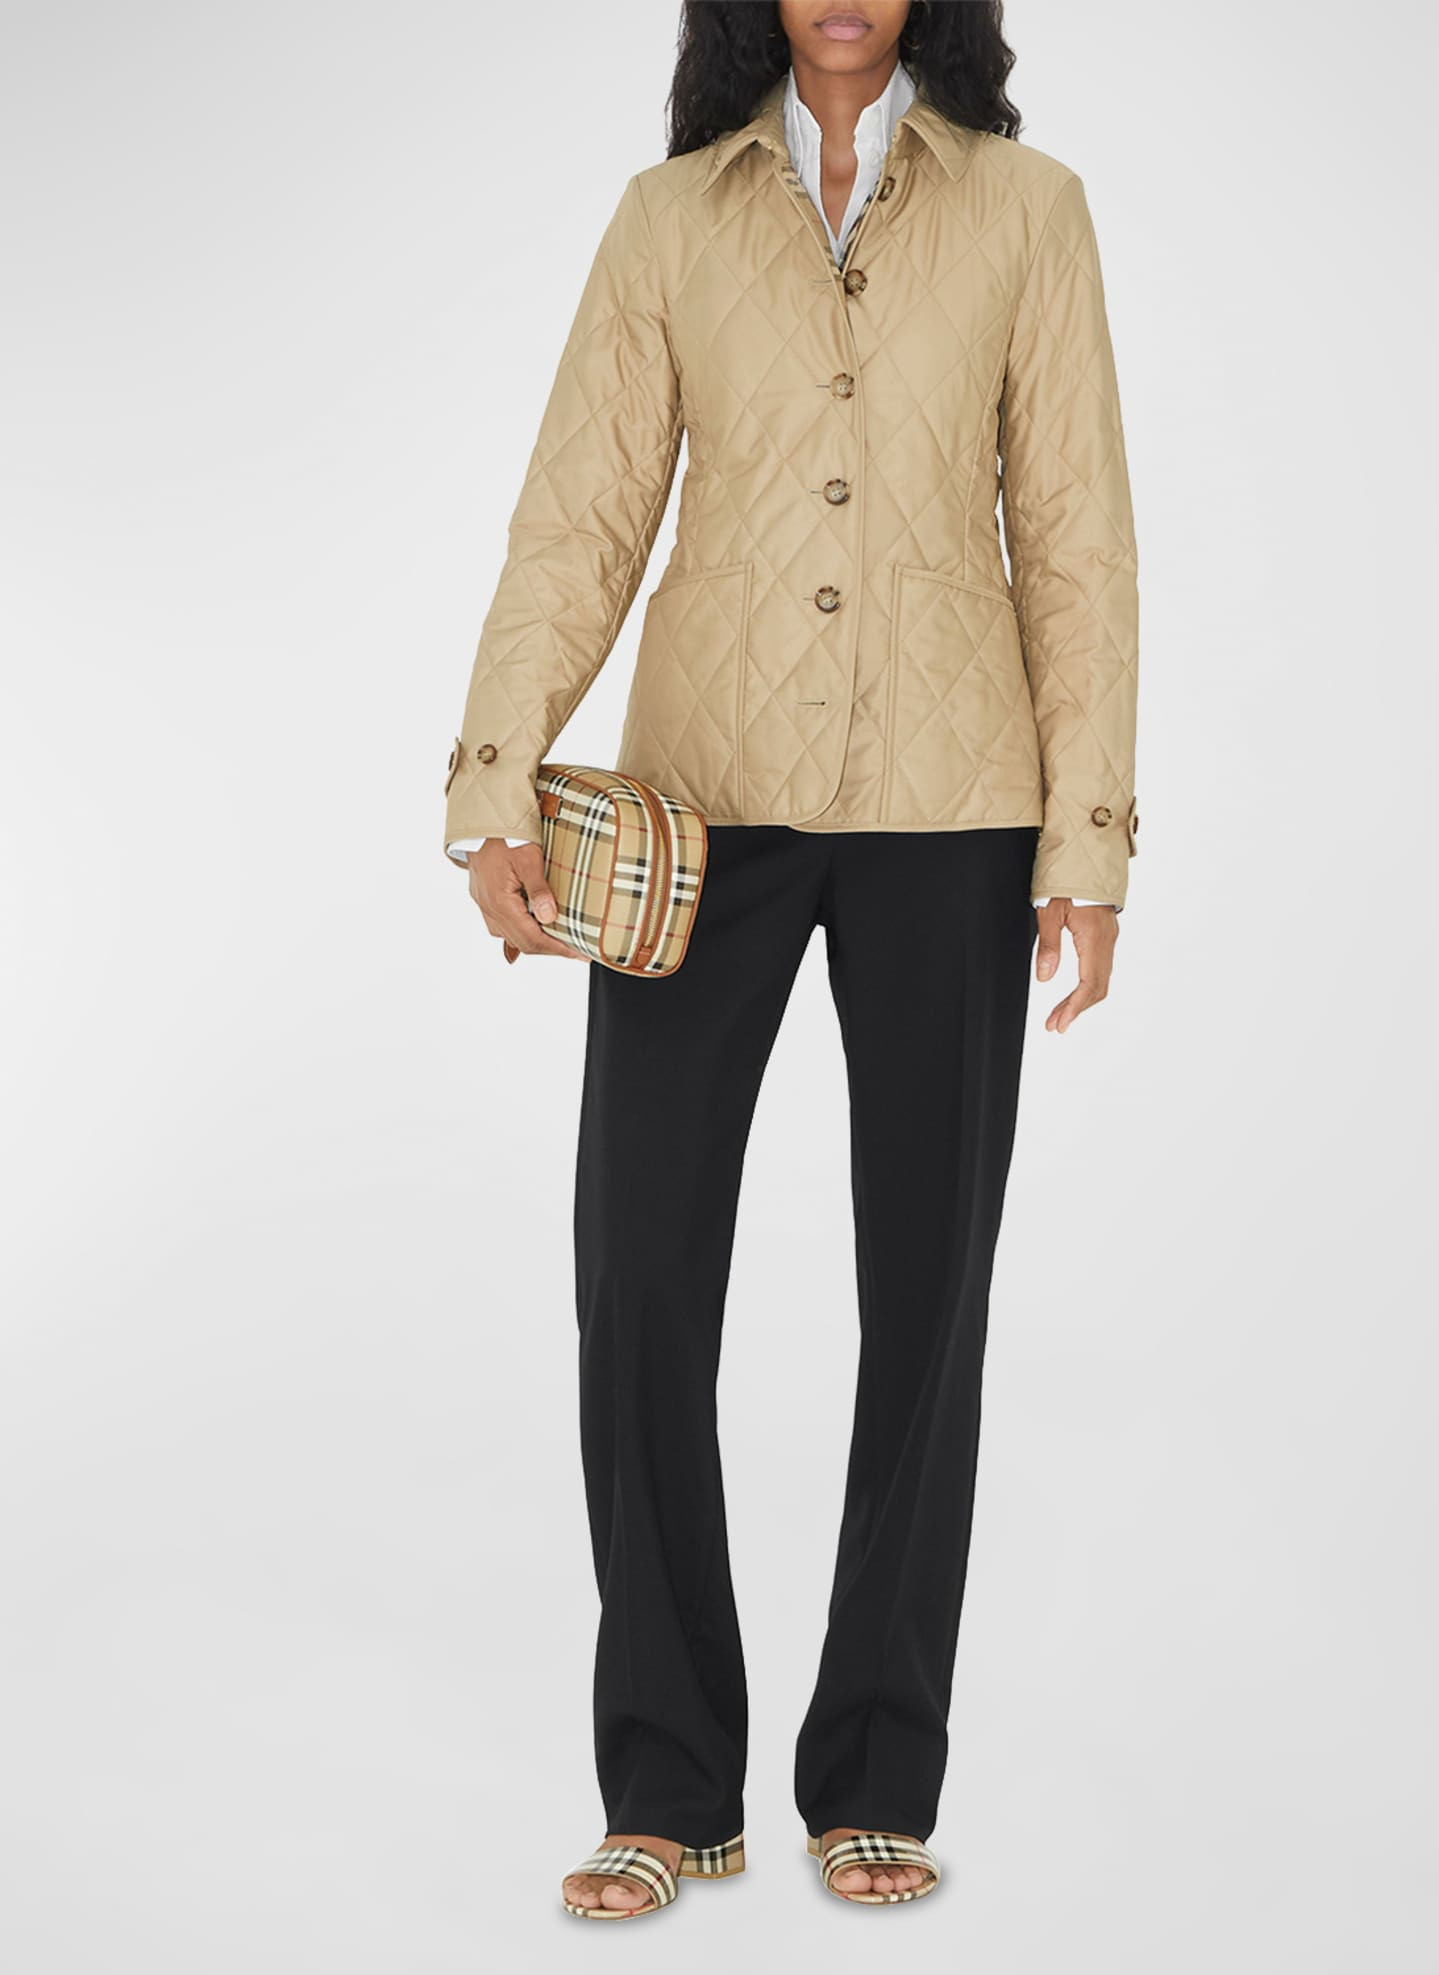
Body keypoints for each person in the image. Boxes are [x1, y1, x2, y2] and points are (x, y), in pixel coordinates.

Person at [442, 0, 1138, 1919]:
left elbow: (1077, 537)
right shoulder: (669, 218)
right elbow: (581, 514)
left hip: (956, 807)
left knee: (928, 1295)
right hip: (701, 811)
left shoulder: (1030, 212)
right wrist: (495, 779)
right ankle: (671, 1787)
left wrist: (1088, 843)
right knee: (640, 1278)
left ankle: (876, 1773)